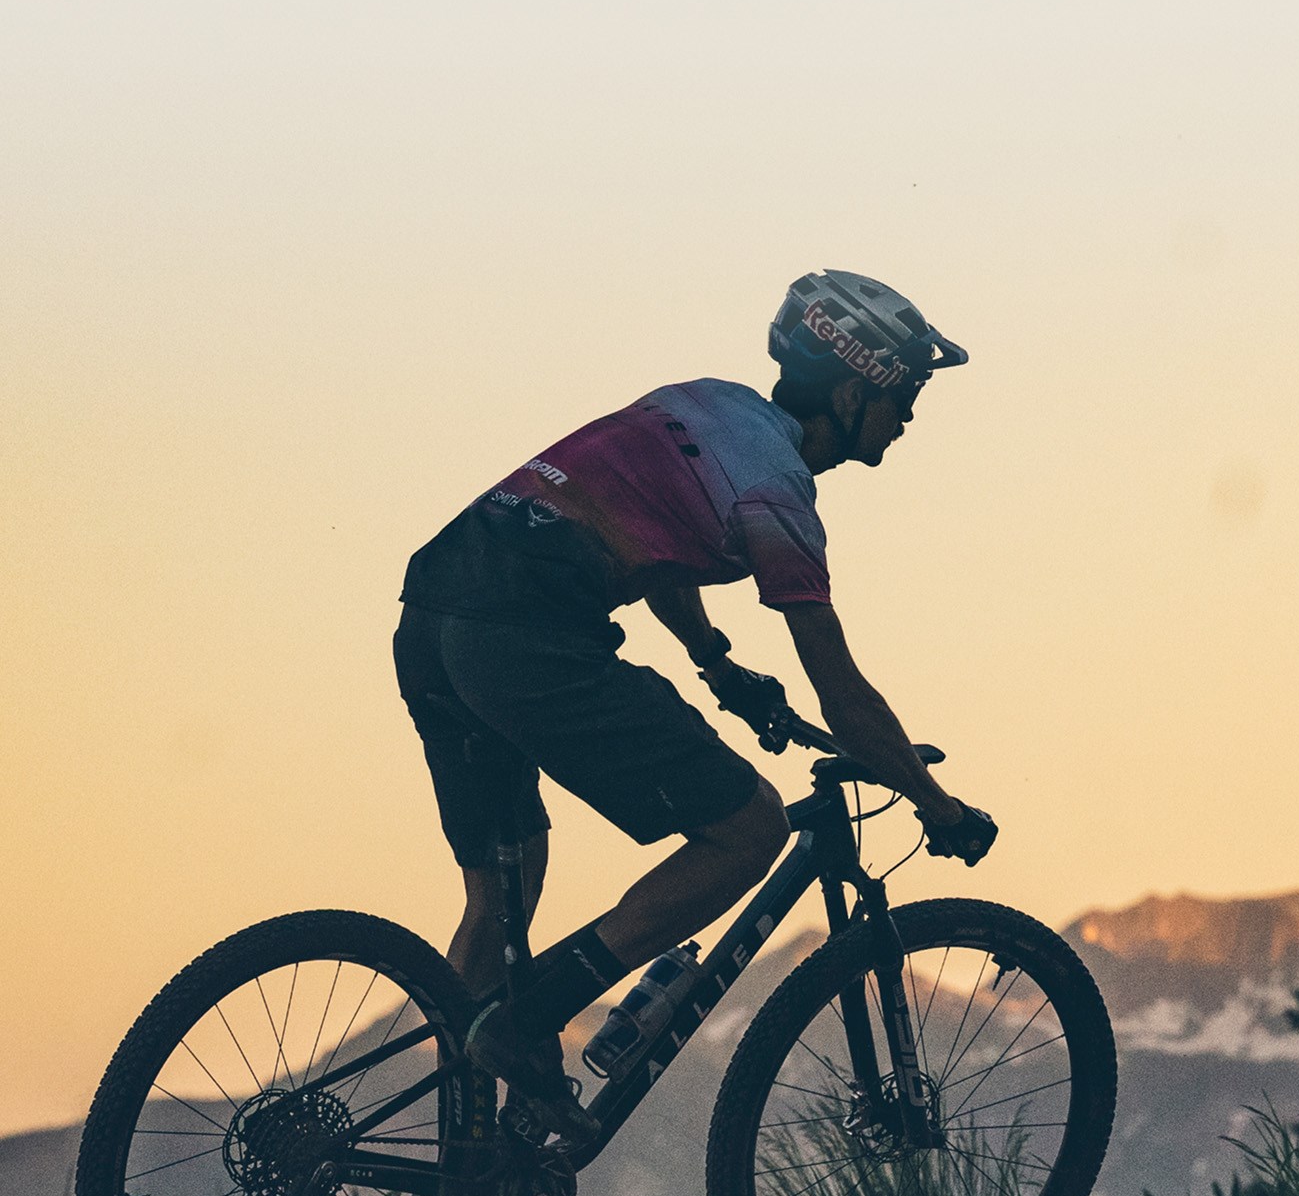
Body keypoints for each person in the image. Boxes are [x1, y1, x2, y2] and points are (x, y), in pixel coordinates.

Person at [392, 270, 996, 1145]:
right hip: (524, 631)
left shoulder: (706, 404)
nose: (907, 417)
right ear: (857, 387)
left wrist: (715, 662)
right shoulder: (779, 495)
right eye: (904, 396)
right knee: (749, 828)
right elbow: (840, 686)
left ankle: (459, 1176)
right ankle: (534, 1017)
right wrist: (934, 803)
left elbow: (646, 538)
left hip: (435, 610)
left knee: (502, 895)